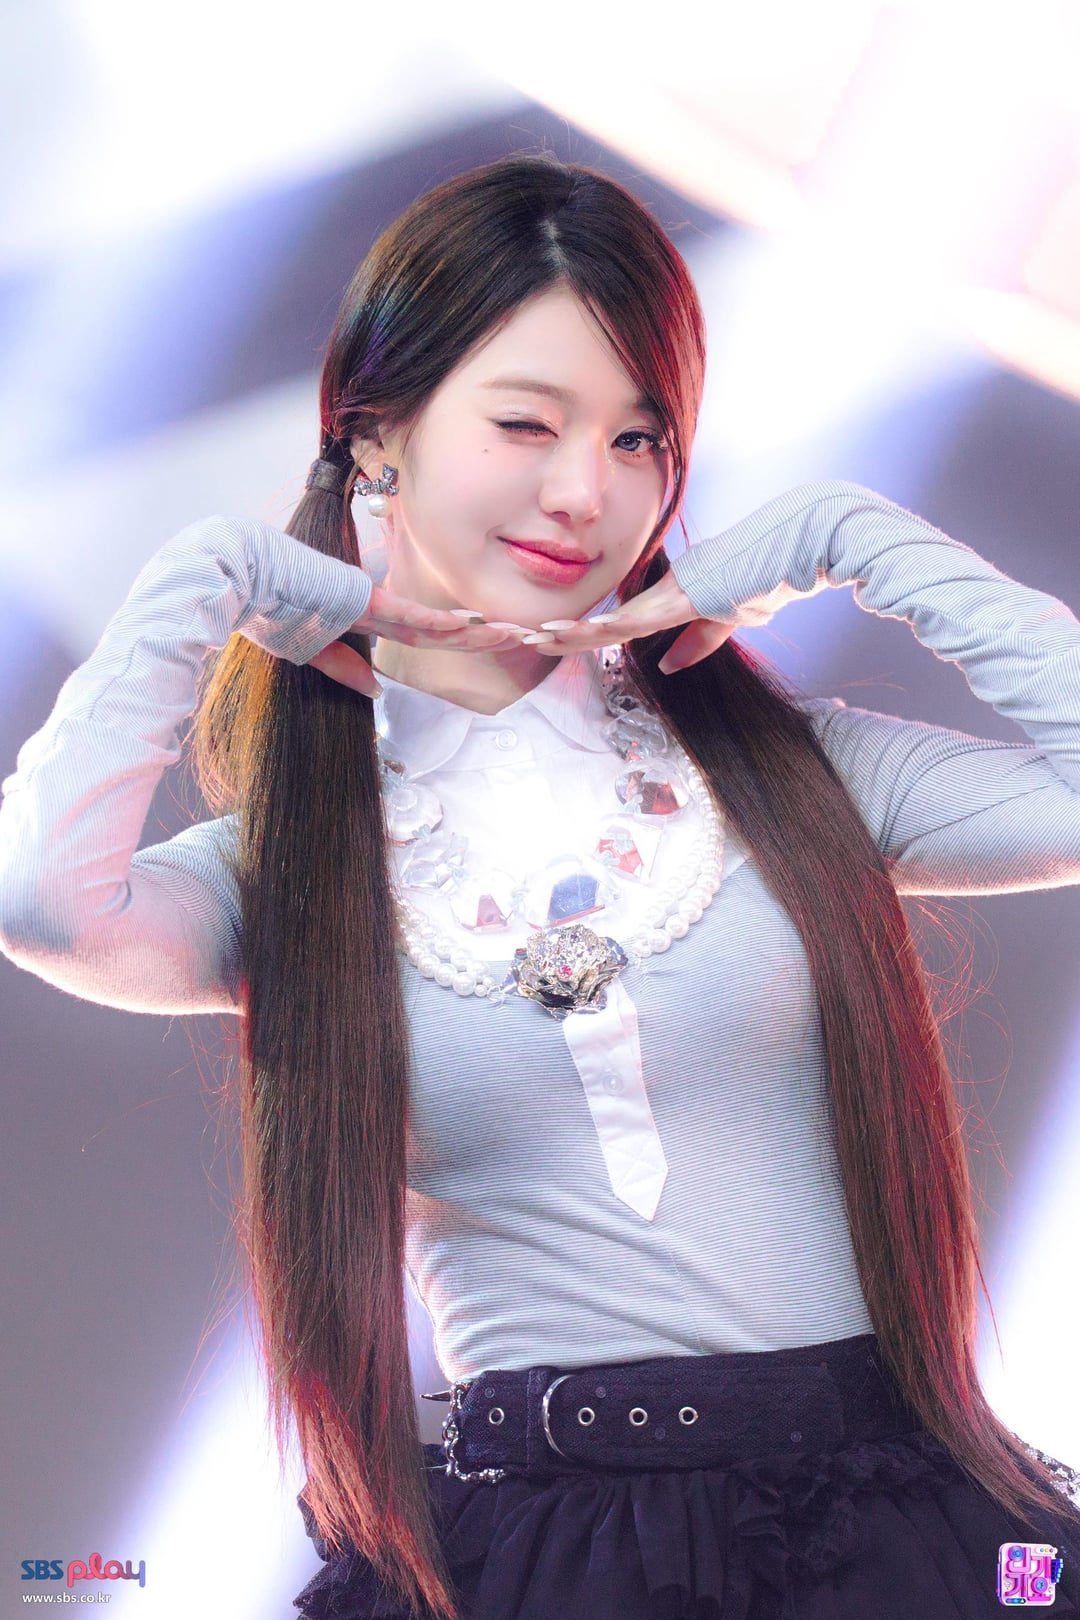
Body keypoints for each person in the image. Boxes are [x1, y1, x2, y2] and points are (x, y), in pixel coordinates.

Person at [1, 153, 1079, 1620]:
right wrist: (210, 576)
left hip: (877, 1526)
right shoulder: (294, 870)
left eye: (640, 438)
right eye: (527, 422)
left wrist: (852, 537)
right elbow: (45, 902)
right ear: (375, 434)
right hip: (544, 1553)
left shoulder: (790, 774)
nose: (586, 493)